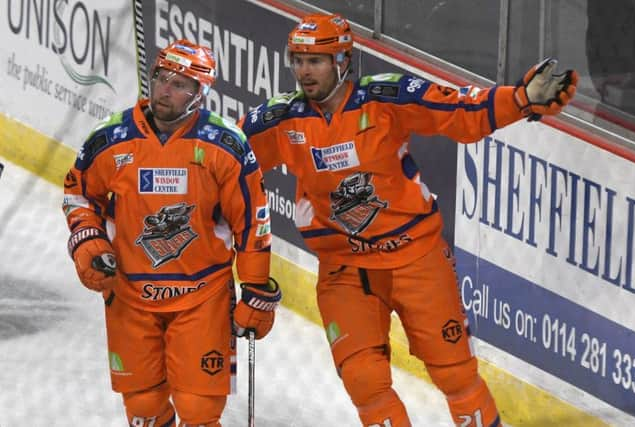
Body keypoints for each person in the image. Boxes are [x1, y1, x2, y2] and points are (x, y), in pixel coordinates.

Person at [240, 13, 577, 427]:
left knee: (456, 376)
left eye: (317, 60)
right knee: (364, 382)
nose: (304, 71)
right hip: (345, 268)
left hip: (416, 257)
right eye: (298, 60)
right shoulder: (280, 120)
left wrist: (520, 99)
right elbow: (220, 167)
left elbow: (459, 111)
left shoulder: (385, 98)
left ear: (343, 60)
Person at [62, 39, 281, 427]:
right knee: (143, 409)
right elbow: (80, 193)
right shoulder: (110, 138)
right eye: (162, 78)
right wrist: (88, 243)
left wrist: (256, 288)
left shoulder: (226, 144)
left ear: (201, 94)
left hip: (204, 296)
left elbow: (252, 219)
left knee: (199, 410)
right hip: (129, 293)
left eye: (181, 84)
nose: (166, 89)